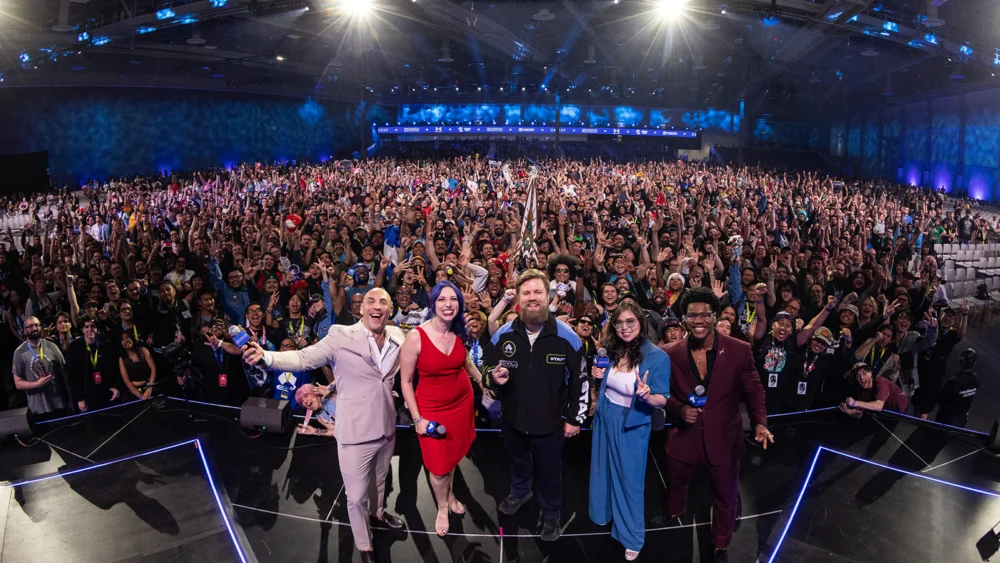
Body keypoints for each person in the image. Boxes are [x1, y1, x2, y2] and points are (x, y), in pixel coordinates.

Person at [243, 288, 406, 563]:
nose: (377, 306)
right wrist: (267, 357)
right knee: (356, 497)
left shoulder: (398, 336)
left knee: (380, 481)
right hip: (353, 432)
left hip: (386, 427)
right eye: (370, 301)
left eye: (383, 302)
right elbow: (303, 357)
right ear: (361, 309)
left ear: (389, 310)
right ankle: (365, 545)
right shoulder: (340, 335)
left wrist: (333, 386)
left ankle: (378, 513)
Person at [662, 287, 770, 563]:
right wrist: (679, 409)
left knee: (725, 497)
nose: (698, 320)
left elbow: (754, 389)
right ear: (684, 319)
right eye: (692, 315)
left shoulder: (739, 350)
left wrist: (759, 422)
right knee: (676, 483)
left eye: (705, 315)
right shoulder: (669, 353)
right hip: (684, 438)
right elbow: (662, 395)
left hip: (724, 439)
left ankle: (721, 543)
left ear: (714, 317)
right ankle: (673, 514)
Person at [482, 269, 589, 542]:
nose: (532, 297)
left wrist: (575, 419)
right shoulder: (503, 335)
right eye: (526, 293)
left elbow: (581, 381)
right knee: (517, 463)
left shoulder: (567, 336)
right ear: (518, 298)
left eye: (538, 292)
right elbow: (486, 368)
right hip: (513, 419)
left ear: (548, 296)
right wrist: (492, 377)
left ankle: (551, 513)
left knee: (550, 472)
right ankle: (520, 492)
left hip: (551, 423)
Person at [588, 298, 670, 561]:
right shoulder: (612, 350)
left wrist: (647, 395)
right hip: (605, 417)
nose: (624, 328)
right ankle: (602, 512)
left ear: (641, 323)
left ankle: (631, 536)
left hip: (631, 424)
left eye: (630, 322)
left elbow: (662, 399)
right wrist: (597, 377)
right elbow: (606, 385)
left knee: (629, 481)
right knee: (602, 469)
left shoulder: (657, 357)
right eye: (619, 323)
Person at [399, 280, 482, 536]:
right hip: (432, 411)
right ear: (433, 304)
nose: (448, 304)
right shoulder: (416, 337)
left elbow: (465, 361)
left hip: (462, 405)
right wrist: (417, 420)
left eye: (453, 299)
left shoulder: (459, 330)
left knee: (452, 458)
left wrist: (482, 380)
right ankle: (443, 506)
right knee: (438, 468)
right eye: (442, 299)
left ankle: (450, 493)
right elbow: (405, 382)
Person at [12, 315, 67, 417]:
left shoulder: (52, 346)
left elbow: (65, 373)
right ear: (25, 331)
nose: (34, 328)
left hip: (59, 403)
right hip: (38, 409)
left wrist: (71, 398)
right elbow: (18, 383)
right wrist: (37, 384)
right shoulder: (19, 352)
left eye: (36, 325)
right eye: (30, 326)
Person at [68, 314, 121, 412]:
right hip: (87, 397)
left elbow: (116, 368)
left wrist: (117, 387)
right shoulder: (74, 347)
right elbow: (72, 376)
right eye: (86, 327)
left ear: (97, 328)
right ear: (82, 329)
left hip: (108, 393)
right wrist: (79, 398)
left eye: (93, 326)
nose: (90, 329)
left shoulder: (106, 343)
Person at [840, 362, 909, 417]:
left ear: (870, 373)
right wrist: (848, 411)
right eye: (858, 375)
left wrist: (855, 403)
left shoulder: (880, 381)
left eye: (864, 373)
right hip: (889, 414)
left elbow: (879, 406)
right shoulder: (862, 392)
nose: (862, 378)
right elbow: (859, 413)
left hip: (903, 412)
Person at [935, 348, 979, 428]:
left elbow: (941, 400)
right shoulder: (975, 379)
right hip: (961, 419)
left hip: (946, 418)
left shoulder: (954, 381)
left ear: (961, 362)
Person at [118, 331, 157, 401]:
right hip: (134, 392)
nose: (126, 341)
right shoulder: (122, 359)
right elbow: (127, 382)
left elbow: (153, 368)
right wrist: (140, 395)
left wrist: (150, 387)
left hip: (150, 385)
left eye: (127, 337)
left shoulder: (143, 350)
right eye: (123, 340)